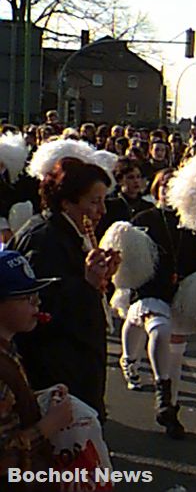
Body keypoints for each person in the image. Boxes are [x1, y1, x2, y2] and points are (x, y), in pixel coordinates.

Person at [10, 157, 119, 422]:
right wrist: (88, 284)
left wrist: (104, 277)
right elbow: (39, 308)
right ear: (67, 201)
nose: (101, 211)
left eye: (103, 200)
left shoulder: (69, 232)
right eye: (94, 202)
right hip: (57, 367)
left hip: (75, 360)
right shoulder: (44, 237)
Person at [121, 169, 196, 439]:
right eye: (163, 184)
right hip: (149, 289)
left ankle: (170, 408)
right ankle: (144, 373)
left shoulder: (191, 224)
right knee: (158, 329)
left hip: (179, 293)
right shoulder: (144, 218)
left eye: (173, 185)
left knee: (176, 356)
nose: (168, 189)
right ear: (156, 188)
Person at [0, 250, 75, 490]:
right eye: (26, 298)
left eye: (36, 295)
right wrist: (48, 426)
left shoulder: (8, 346)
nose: (37, 303)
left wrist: (38, 399)